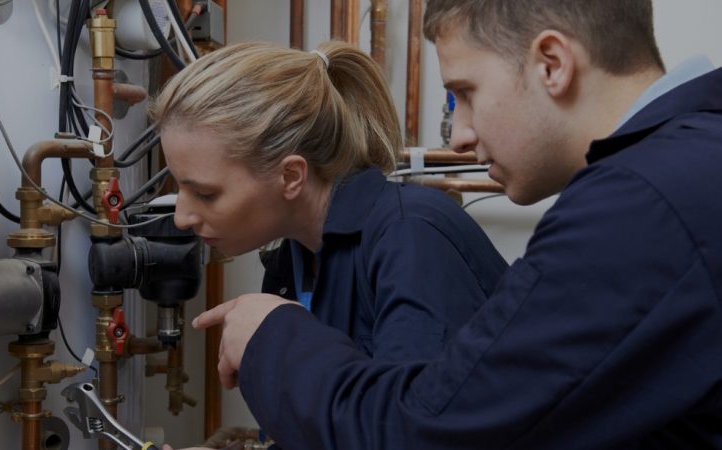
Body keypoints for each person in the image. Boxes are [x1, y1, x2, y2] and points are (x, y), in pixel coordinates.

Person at [186, 0, 722, 448]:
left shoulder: (640, 205)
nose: (459, 135)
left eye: (465, 92)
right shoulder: (687, 170)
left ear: (553, 63)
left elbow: (425, 433)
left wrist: (271, 334)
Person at [152, 40, 508, 449]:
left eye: (206, 194)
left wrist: (276, 336)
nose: (182, 217)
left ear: (291, 176)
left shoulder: (412, 238)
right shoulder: (294, 262)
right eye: (179, 188)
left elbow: (411, 437)